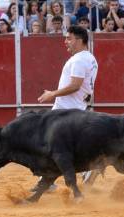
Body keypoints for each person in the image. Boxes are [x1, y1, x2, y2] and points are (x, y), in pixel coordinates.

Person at [35, 25, 99, 191]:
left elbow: (75, 85)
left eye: (68, 38)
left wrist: (52, 94)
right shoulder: (91, 58)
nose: (65, 42)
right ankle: (85, 170)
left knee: (45, 143)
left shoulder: (78, 60)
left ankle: (49, 181)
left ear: (79, 40)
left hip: (64, 110)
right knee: (66, 147)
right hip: (77, 108)